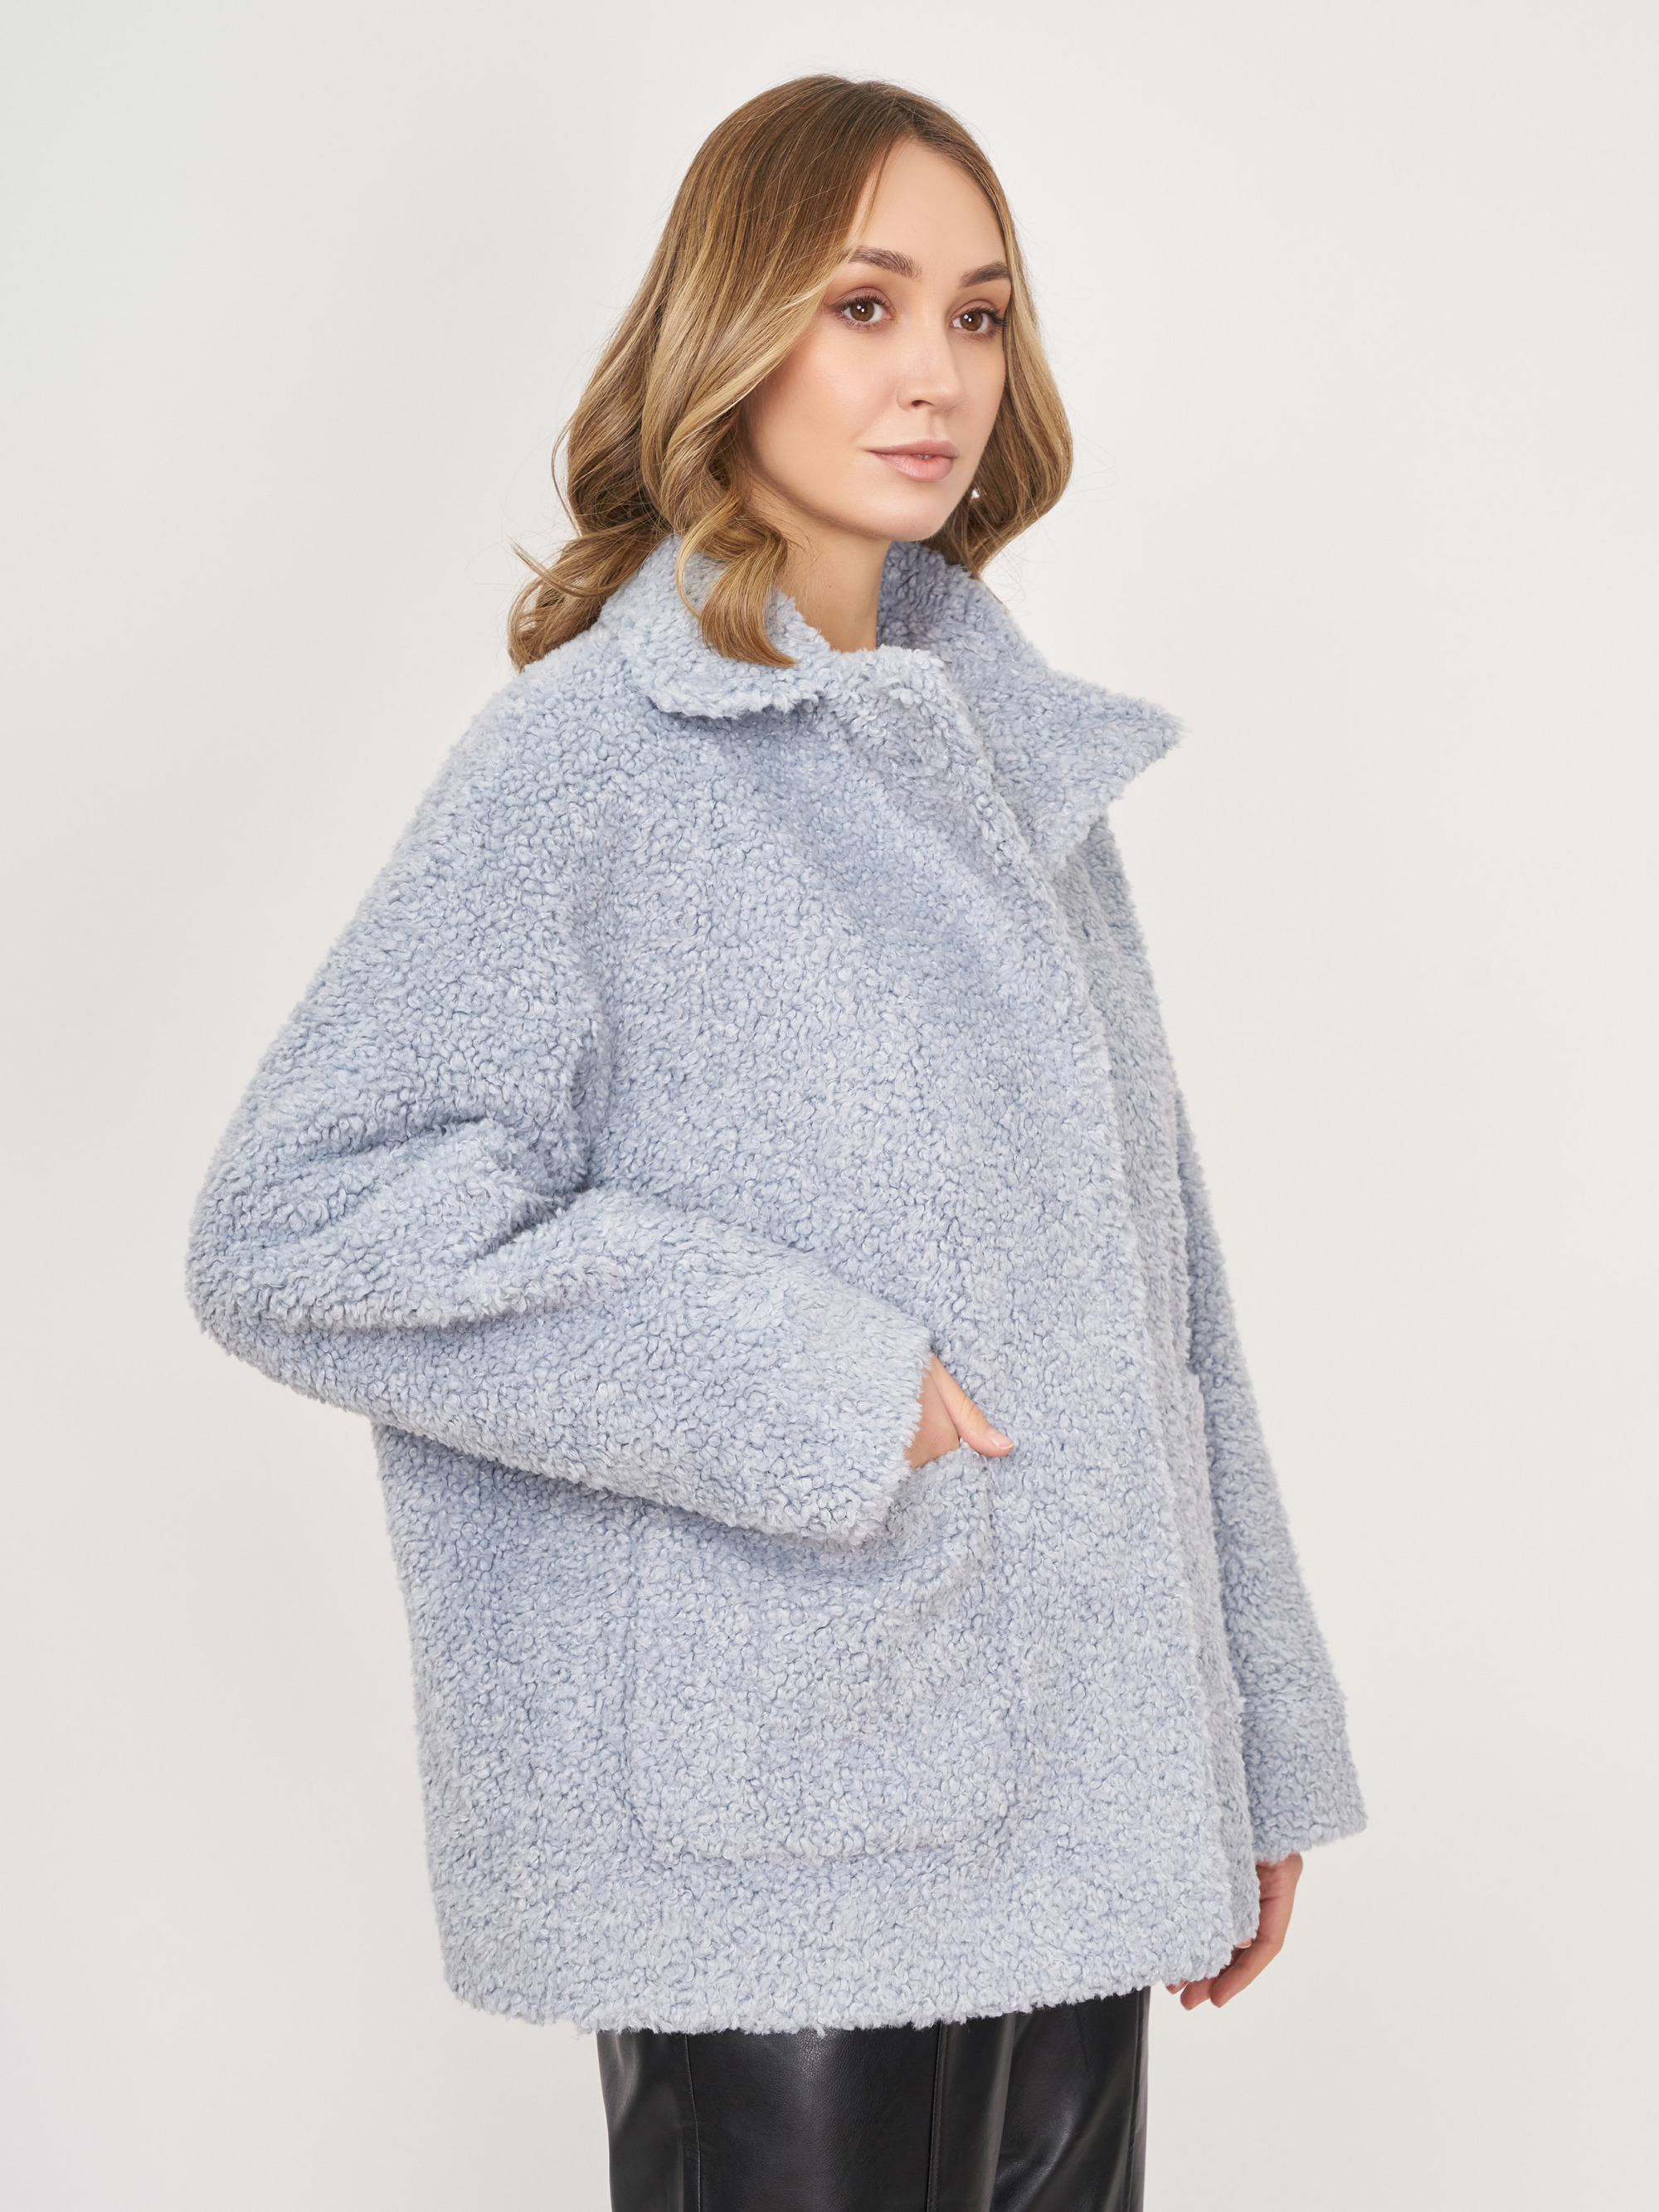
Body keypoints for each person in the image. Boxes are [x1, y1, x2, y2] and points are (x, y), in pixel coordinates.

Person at [188, 74, 1364, 2212]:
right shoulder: (593, 760)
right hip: (779, 1835)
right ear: (735, 329)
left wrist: (1245, 1735)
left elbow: (1166, 1291)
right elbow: (302, 1224)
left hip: (1069, 1809)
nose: (939, 375)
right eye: (865, 303)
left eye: (980, 315)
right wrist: (819, 1386)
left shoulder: (1016, 768)